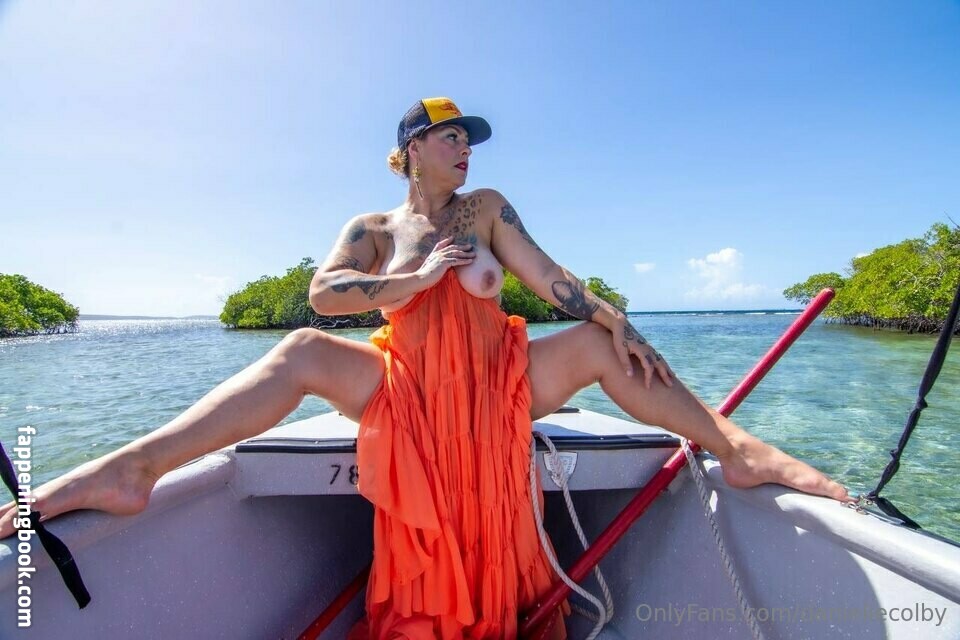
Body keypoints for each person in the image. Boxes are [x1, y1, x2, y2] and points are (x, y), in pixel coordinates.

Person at [0, 97, 849, 639]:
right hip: (406, 385)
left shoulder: (486, 209)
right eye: (451, 137)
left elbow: (548, 276)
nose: (465, 149)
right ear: (412, 147)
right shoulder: (372, 227)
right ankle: (134, 468)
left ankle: (739, 450)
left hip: (495, 378)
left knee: (600, 344)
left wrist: (613, 316)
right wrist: (413, 280)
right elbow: (323, 295)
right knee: (298, 352)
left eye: (469, 140)